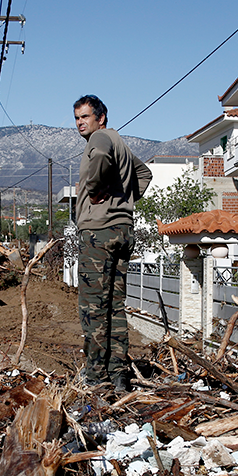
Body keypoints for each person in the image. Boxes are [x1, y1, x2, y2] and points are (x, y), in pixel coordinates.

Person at [73, 95, 152, 391]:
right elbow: (144, 173)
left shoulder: (101, 139)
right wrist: (125, 200)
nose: (81, 123)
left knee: (93, 308)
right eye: (77, 118)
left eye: (85, 117)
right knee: (114, 307)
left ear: (101, 117)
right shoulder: (118, 140)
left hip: (99, 233)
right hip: (122, 230)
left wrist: (95, 189)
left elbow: (102, 159)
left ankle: (96, 379)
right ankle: (118, 375)